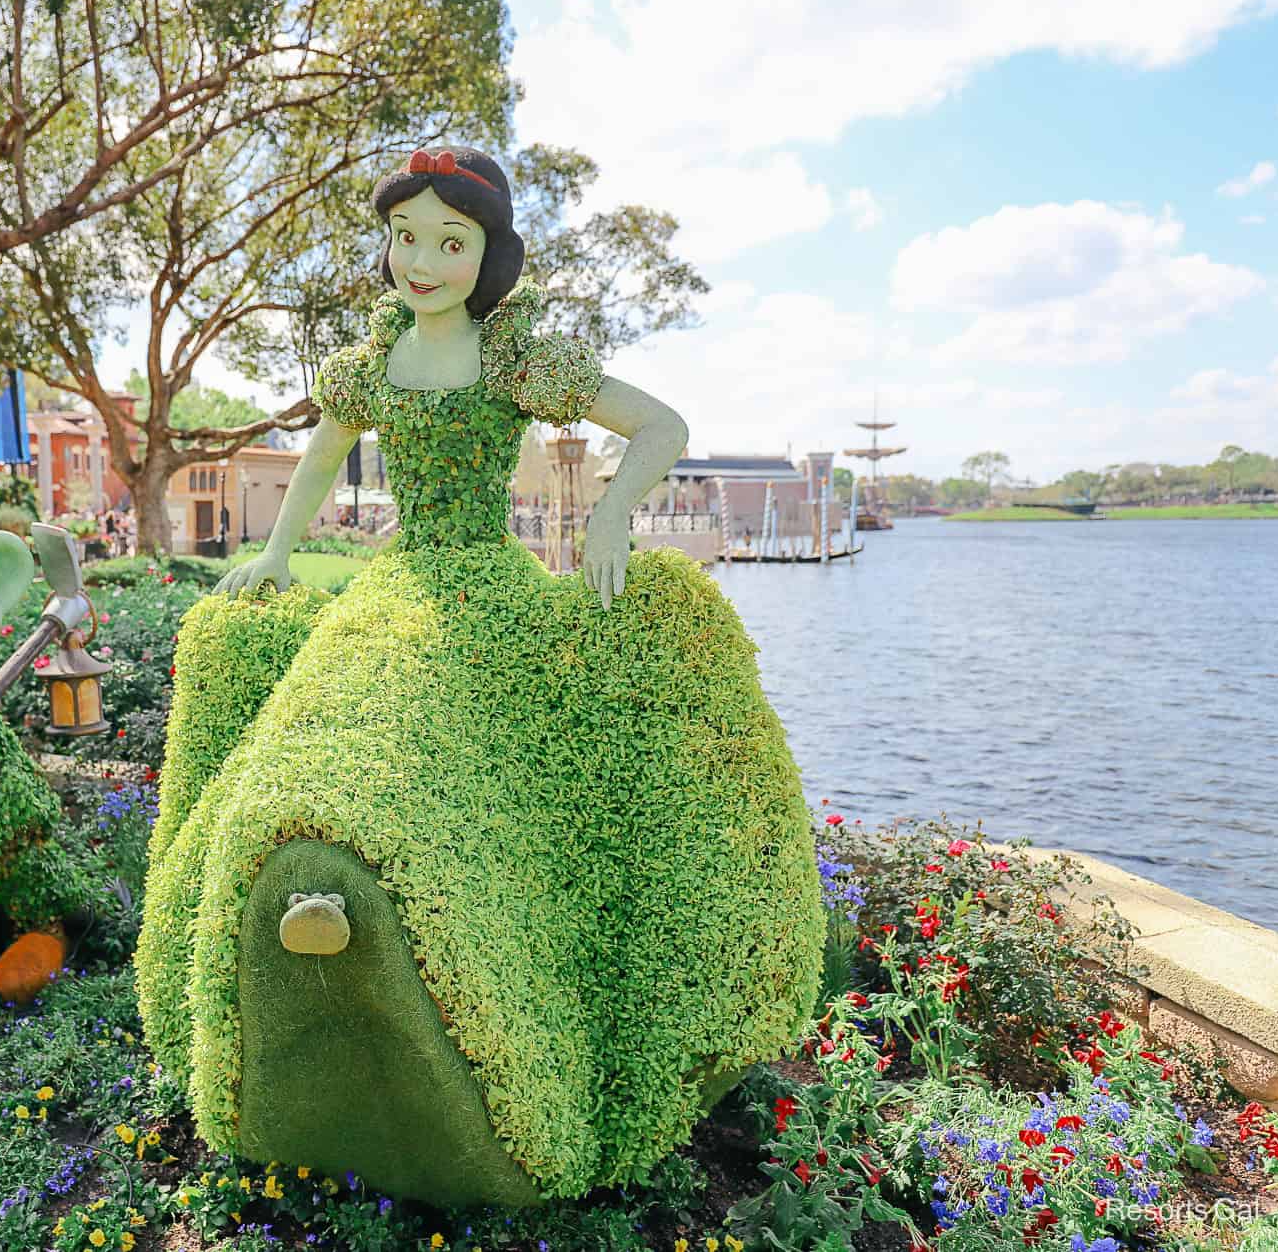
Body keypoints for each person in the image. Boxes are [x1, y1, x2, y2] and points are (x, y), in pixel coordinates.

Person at [135, 147, 822, 1206]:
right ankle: (301, 954)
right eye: (405, 234)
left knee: (496, 777)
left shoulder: (513, 359)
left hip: (486, 590)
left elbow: (662, 427)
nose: (421, 258)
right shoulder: (370, 364)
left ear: (485, 253)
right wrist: (276, 550)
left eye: (448, 240)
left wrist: (606, 516)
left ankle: (477, 1026)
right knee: (338, 719)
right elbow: (320, 455)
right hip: (394, 585)